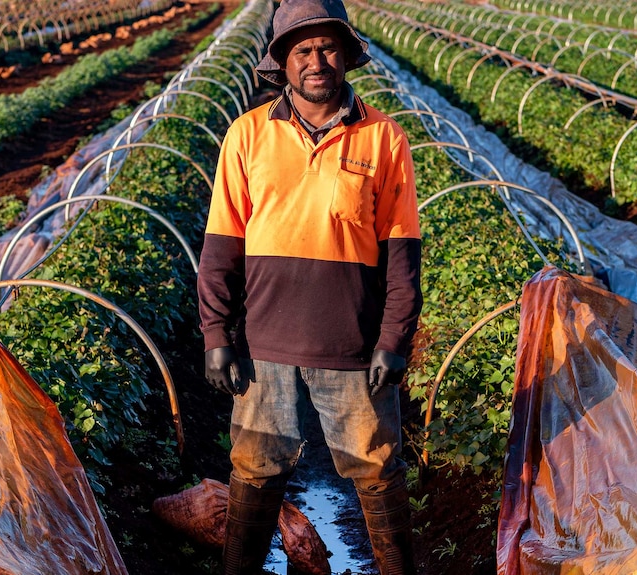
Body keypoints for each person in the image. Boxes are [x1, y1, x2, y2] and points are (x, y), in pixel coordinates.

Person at [196, 0, 422, 572]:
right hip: (265, 346)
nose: (316, 60)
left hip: (352, 347)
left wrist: (393, 340)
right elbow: (221, 247)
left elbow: (402, 257)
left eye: (327, 48)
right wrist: (216, 335)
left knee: (375, 468)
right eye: (302, 50)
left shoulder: (384, 139)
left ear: (345, 55)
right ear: (282, 62)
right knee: (254, 465)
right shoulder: (246, 136)